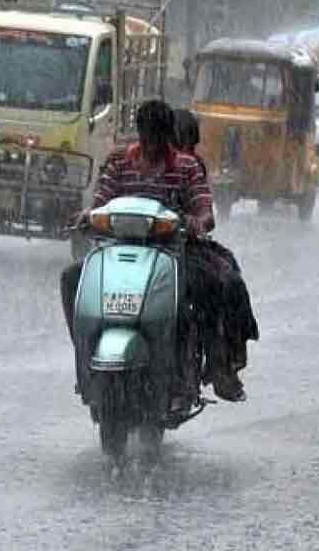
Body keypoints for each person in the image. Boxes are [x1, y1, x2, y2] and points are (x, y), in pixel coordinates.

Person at [61, 100, 257, 402]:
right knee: (71, 278)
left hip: (173, 252)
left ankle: (218, 365)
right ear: (139, 133)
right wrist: (87, 216)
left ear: (168, 137)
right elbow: (100, 202)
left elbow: (205, 212)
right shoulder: (119, 163)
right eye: (146, 136)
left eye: (157, 137)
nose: (151, 145)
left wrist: (195, 222)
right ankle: (86, 359)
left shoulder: (187, 168)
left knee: (217, 285)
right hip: (118, 250)